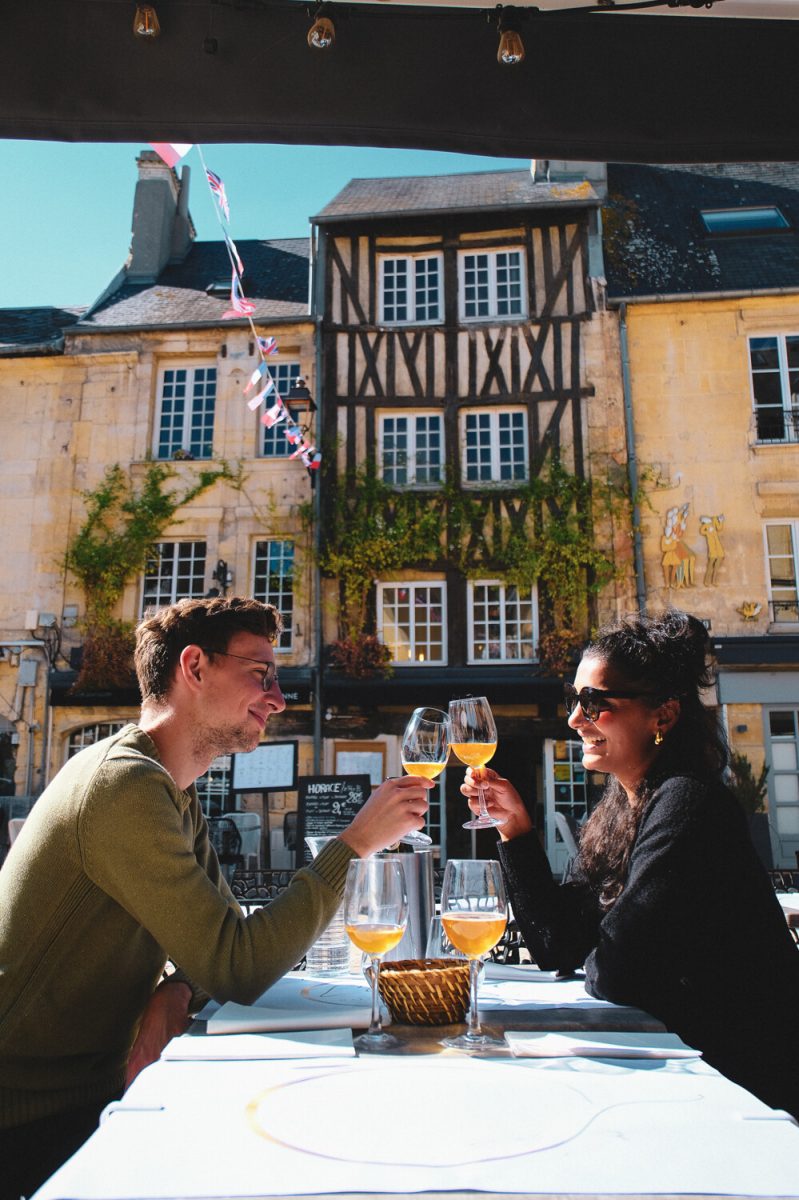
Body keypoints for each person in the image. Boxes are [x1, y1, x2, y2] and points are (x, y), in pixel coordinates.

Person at [0, 596, 431, 1198]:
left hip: (91, 1091)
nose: (279, 699)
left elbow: (222, 946)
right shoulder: (125, 784)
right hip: (29, 1123)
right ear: (195, 667)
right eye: (261, 675)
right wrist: (354, 843)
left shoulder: (171, 791)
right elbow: (240, 967)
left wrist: (172, 991)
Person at [463, 609, 799, 1119]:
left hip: (749, 1087)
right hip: (686, 1068)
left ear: (662, 716)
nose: (575, 719)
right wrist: (515, 830)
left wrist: (603, 945)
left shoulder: (688, 805)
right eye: (574, 700)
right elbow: (557, 946)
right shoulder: (621, 809)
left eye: (595, 702)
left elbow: (620, 969)